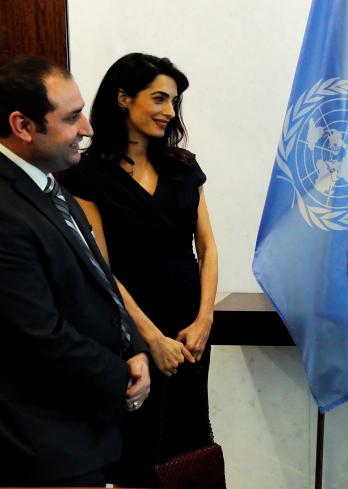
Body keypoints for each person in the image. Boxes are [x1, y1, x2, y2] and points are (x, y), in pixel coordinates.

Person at [61, 53, 218, 487]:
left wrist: (205, 319)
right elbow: (101, 265)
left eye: (175, 102)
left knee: (189, 451)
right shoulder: (86, 172)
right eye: (160, 99)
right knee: (138, 456)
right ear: (124, 98)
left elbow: (206, 247)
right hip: (130, 336)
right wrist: (151, 339)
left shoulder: (183, 166)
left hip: (191, 334)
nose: (170, 111)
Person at [0, 55, 150, 487]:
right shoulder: (3, 208)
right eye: (71, 117)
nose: (87, 127)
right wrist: (122, 376)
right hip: (40, 446)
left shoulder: (48, 184)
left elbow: (100, 278)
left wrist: (134, 347)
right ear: (22, 125)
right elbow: (35, 333)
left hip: (87, 431)